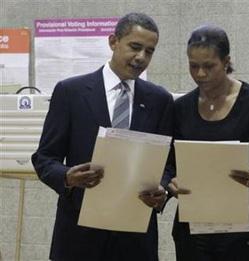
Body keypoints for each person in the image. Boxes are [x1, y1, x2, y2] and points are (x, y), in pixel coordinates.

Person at [32, 12, 174, 261]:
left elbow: (169, 162)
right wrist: (67, 176)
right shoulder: (71, 92)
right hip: (79, 235)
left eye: (149, 51)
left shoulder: (160, 100)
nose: (141, 57)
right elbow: (44, 158)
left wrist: (163, 189)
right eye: (135, 47)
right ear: (113, 42)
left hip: (135, 238)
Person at [168, 24, 249, 261]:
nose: (200, 73)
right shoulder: (180, 108)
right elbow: (169, 164)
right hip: (194, 226)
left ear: (226, 61)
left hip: (244, 228)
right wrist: (171, 183)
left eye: (209, 66)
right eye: (193, 66)